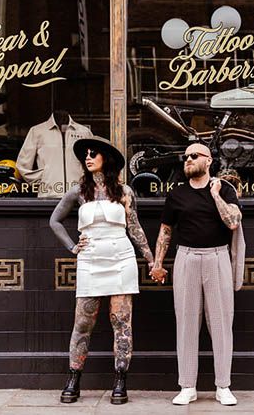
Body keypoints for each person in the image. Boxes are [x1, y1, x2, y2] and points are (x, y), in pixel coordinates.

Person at [50, 135, 154, 405]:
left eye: (93, 153)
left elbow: (135, 228)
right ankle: (74, 378)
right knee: (83, 323)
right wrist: (73, 247)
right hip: (91, 259)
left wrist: (151, 259)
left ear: (105, 159)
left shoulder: (125, 192)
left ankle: (120, 381)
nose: (88, 157)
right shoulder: (78, 191)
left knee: (121, 324)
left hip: (121, 258)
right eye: (85, 154)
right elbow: (55, 221)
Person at [150, 143, 242, 406]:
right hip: (187, 258)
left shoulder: (224, 189)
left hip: (217, 257)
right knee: (187, 323)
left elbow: (233, 222)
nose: (188, 160)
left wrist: (215, 196)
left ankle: (223, 386)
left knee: (222, 324)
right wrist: (158, 263)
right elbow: (165, 231)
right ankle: (187, 385)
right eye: (185, 157)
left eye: (194, 156)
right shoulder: (177, 194)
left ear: (209, 160)